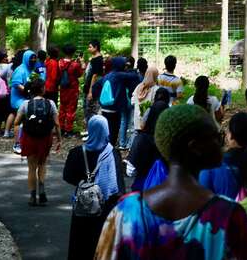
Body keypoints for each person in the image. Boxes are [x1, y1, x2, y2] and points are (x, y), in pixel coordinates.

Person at [95, 105, 247, 260]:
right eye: (217, 137)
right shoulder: (229, 216)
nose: (221, 144)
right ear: (195, 147)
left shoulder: (126, 211)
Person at [63, 115, 125, 260]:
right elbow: (117, 187)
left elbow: (67, 175)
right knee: (100, 245)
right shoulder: (112, 153)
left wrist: (83, 184)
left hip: (82, 206)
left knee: (79, 244)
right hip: (104, 209)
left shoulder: (76, 152)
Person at [14, 78, 61, 206]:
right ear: (42, 89)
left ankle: (32, 196)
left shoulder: (25, 104)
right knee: (42, 164)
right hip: (45, 138)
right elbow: (57, 124)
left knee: (31, 168)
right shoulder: (50, 103)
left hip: (30, 138)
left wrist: (17, 141)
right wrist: (59, 140)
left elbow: (16, 122)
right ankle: (41, 187)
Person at [125, 88, 169, 191]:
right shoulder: (169, 140)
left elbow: (130, 171)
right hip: (164, 190)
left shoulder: (141, 138)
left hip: (142, 187)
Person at [92, 56, 141, 146]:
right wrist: (132, 69)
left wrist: (98, 98)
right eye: (124, 65)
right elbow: (134, 77)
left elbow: (95, 86)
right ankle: (110, 150)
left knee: (107, 129)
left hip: (104, 108)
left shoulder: (107, 75)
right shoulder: (119, 75)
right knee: (113, 132)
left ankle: (105, 147)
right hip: (114, 109)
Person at [10, 49, 38, 154]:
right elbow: (16, 84)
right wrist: (27, 90)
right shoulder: (20, 69)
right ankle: (17, 144)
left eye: (34, 58)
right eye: (31, 58)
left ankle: (27, 143)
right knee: (19, 121)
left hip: (27, 98)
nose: (33, 60)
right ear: (26, 58)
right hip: (18, 99)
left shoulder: (32, 69)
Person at [58, 44, 85, 138]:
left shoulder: (60, 62)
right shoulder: (75, 65)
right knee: (71, 110)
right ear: (73, 52)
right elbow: (79, 74)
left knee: (62, 109)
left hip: (63, 89)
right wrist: (82, 64)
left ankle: (60, 128)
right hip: (72, 90)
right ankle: (68, 130)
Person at [82, 39, 104, 140]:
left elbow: (95, 76)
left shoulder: (98, 59)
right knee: (87, 109)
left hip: (93, 89)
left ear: (96, 47)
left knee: (92, 110)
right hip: (87, 87)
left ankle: (92, 133)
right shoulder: (93, 58)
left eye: (90, 46)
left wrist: (91, 91)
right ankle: (88, 130)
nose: (88, 48)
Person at [131, 65, 159, 130]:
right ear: (156, 76)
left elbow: (132, 101)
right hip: (148, 122)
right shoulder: (156, 89)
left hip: (137, 120)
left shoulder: (139, 86)